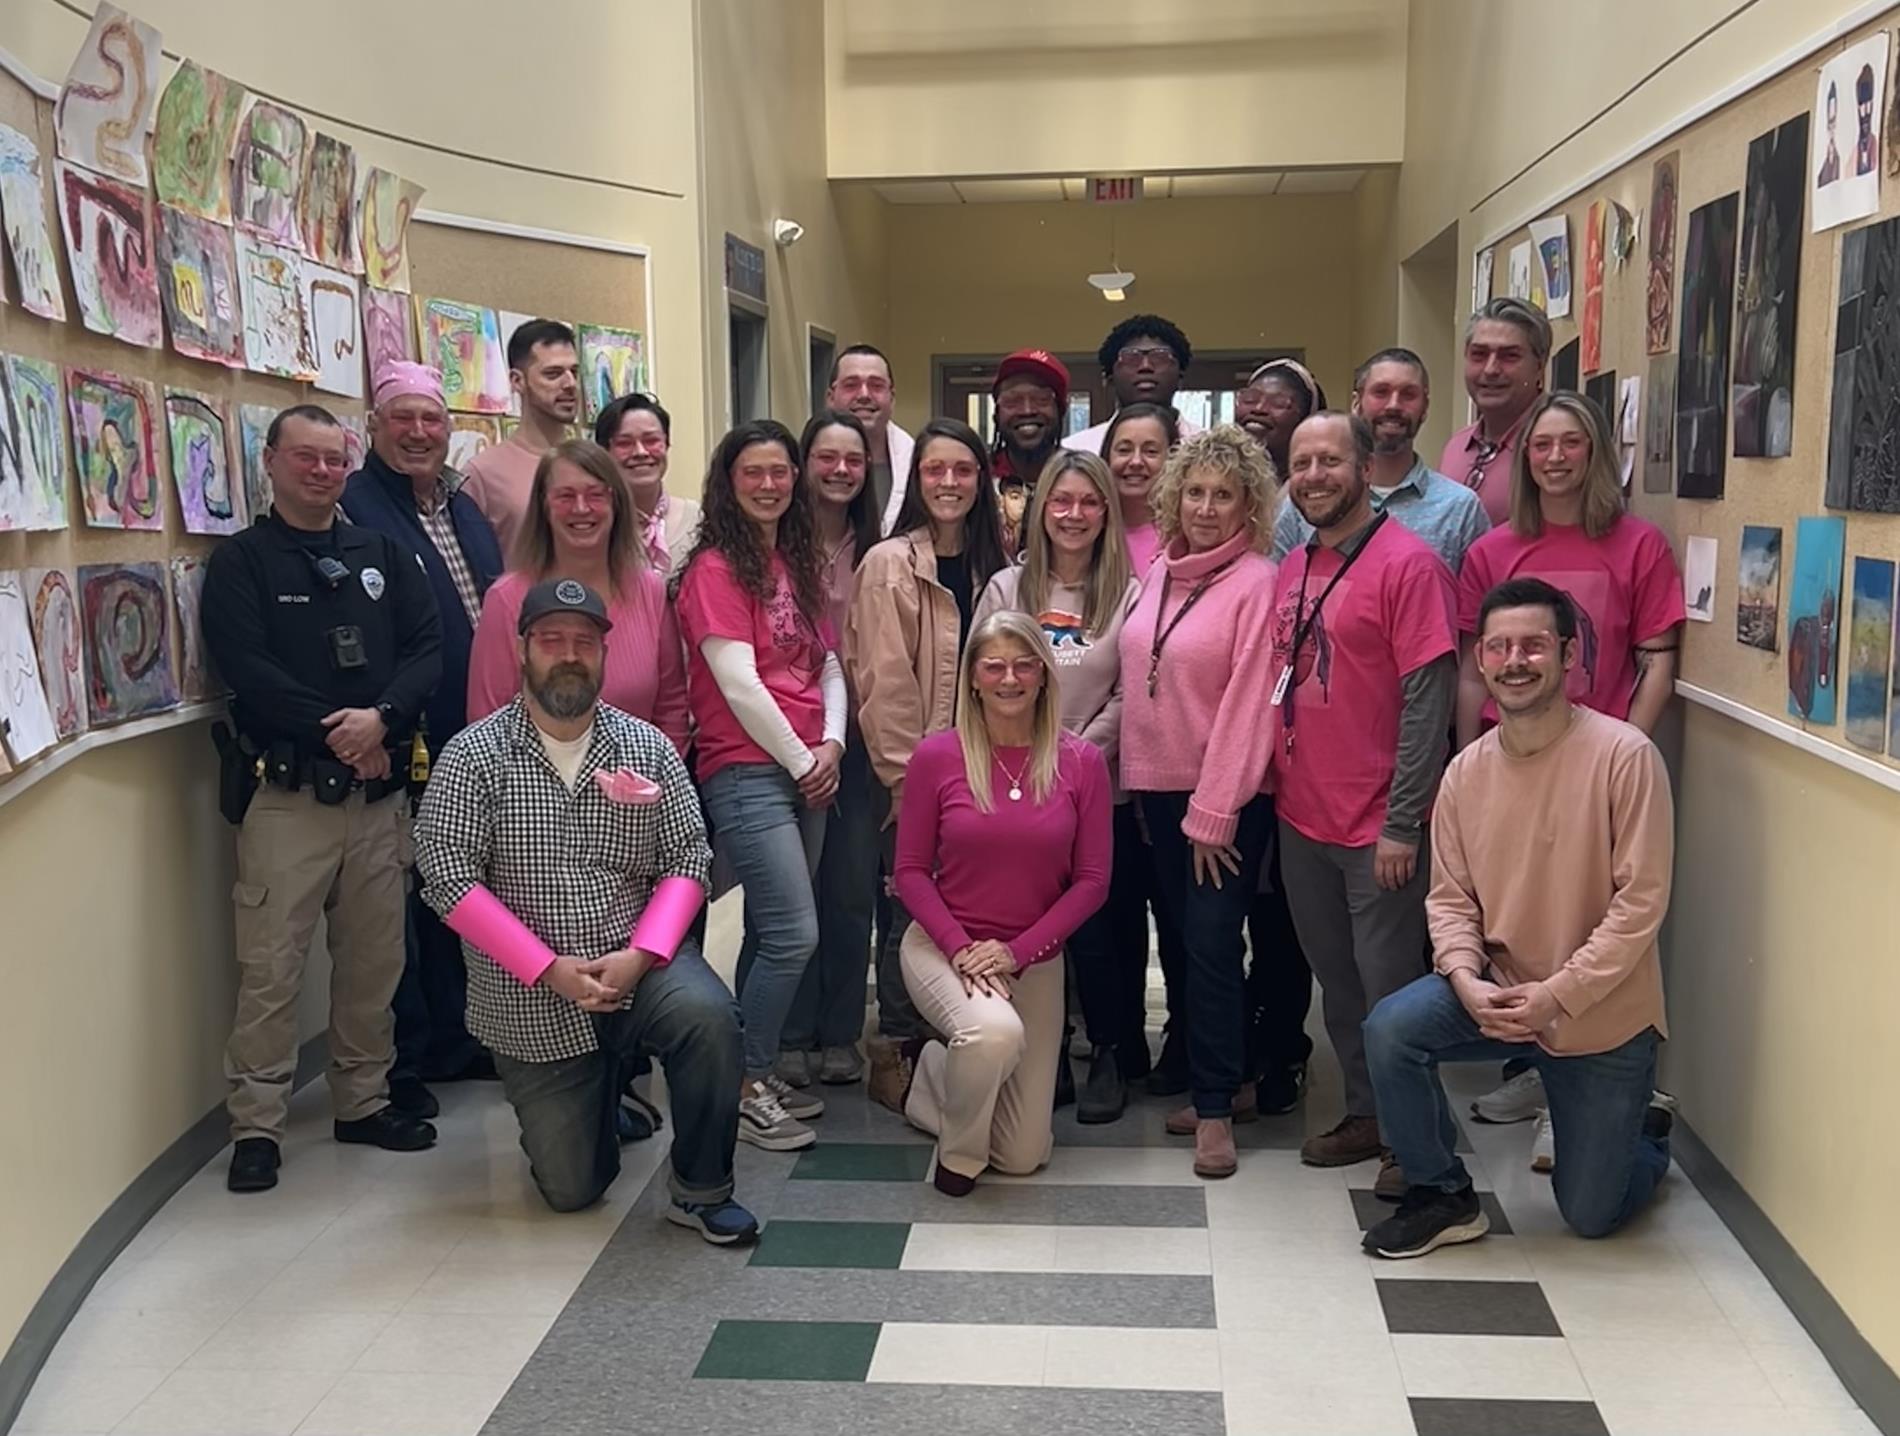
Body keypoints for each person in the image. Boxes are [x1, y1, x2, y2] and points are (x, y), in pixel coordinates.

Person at [413, 579, 758, 1243]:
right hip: (531, 999)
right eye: (551, 641)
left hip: (641, 969)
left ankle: (700, 1189)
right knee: (572, 1192)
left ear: (604, 653)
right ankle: (598, 1097)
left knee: (711, 1020)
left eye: (583, 642)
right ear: (523, 651)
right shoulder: (471, 757)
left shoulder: (648, 747)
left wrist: (641, 955)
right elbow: (449, 880)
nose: (567, 655)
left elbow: (688, 858)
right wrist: (547, 969)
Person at [1361, 578, 1674, 1258]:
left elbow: (1640, 905)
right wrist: (1464, 978)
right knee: (1391, 1029)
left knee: (1592, 1214)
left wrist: (1557, 994)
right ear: (1481, 662)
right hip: (1498, 992)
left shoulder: (1625, 757)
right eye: (1498, 647)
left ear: (1568, 655)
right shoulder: (1465, 773)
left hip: (1599, 1014)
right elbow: (1449, 901)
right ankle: (1441, 1194)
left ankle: (1641, 1138)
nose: (1514, 661)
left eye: (1533, 645)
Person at [202, 404, 444, 1193]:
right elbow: (246, 668)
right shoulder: (244, 562)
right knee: (271, 970)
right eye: (303, 458)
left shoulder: (380, 551)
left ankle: (363, 1101)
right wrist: (340, 730)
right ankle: (257, 1127)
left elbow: (426, 647)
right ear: (269, 462)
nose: (321, 472)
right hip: (289, 798)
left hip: (377, 802)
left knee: (375, 964)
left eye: (334, 460)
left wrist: (384, 720)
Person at [1455, 391, 1684, 1151]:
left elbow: (1658, 658)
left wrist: (1622, 749)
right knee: (1515, 918)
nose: (1555, 458)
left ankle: (1587, 1084)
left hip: (1596, 761)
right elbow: (1468, 667)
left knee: (1595, 914)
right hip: (1507, 760)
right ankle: (1535, 1068)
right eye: (1541, 446)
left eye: (1571, 444)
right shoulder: (1494, 549)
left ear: (1597, 454)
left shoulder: (1637, 544)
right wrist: (1465, 756)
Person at [1268, 412, 1458, 1197]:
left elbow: (1428, 701)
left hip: (1377, 824)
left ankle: (1419, 1146)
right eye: (1301, 463)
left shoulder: (1409, 566)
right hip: (1300, 816)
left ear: (1365, 465)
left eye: (1330, 461)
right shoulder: (1296, 564)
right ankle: (1367, 1115)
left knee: (1390, 997)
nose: (1314, 475)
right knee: (1337, 987)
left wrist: (1403, 822)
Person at [891, 611, 1111, 1195]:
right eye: (994, 666)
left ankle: (930, 1074)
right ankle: (958, 1158)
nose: (1009, 678)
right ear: (972, 678)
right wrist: (963, 949)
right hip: (944, 946)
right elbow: (909, 873)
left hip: (1032, 959)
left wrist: (1016, 952)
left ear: (1043, 675)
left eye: (1023, 665)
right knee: (992, 1035)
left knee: (1021, 1156)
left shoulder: (1082, 763)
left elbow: (1093, 881)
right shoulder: (937, 757)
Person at [676, 420, 848, 1152]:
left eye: (781, 472)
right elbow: (738, 683)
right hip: (748, 771)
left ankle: (758, 1065)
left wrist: (834, 741)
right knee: (794, 933)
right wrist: (804, 758)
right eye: (755, 472)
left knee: (769, 929)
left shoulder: (793, 564)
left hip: (809, 765)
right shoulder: (715, 569)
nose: (771, 484)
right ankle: (742, 1083)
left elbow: (828, 665)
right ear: (728, 481)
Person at [1118, 425, 1280, 1179]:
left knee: (1213, 947)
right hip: (1154, 793)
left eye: (1223, 494)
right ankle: (1236, 1077)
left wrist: (1213, 812)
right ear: (1173, 498)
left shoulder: (1256, 582)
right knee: (1183, 946)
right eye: (1195, 492)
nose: (1207, 508)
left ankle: (1214, 1112)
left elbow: (1253, 706)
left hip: (1223, 800)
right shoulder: (1157, 571)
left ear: (1249, 503)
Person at [341, 362, 504, 1107]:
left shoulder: (463, 507)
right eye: (400, 419)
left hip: (477, 733)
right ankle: (403, 1061)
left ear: (448, 429)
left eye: (430, 420)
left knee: (459, 889)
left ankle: (457, 1036)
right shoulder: (357, 509)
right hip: (404, 734)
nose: (417, 433)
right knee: (400, 907)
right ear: (373, 428)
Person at [974, 451, 1140, 1120]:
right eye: (1060, 502)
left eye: (1088, 503)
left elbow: (1133, 693)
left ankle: (1111, 1051)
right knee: (1030, 924)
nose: (1073, 515)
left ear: (1106, 513)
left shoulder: (1131, 591)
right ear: (1041, 510)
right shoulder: (1006, 589)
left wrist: (1071, 759)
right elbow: (983, 676)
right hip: (1015, 790)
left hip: (1099, 785)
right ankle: (1049, 1049)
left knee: (1101, 929)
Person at [851, 418, 1009, 1100]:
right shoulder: (891, 564)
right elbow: (884, 683)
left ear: (981, 480)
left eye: (963, 470)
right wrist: (902, 781)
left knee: (967, 902)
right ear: (916, 482)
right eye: (934, 470)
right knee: (908, 907)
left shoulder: (995, 566)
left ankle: (963, 1035)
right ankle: (899, 1047)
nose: (949, 483)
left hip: (986, 769)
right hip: (914, 774)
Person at [465, 438, 688, 750]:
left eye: (596, 495)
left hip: (638, 788)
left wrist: (655, 782)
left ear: (617, 504)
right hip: (530, 792)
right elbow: (484, 719)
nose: (581, 508)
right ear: (543, 505)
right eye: (565, 496)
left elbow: (672, 708)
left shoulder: (650, 591)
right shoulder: (506, 599)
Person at [781, 410, 883, 1087]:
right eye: (827, 457)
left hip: (865, 741)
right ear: (803, 465)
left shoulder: (880, 547)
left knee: (849, 889)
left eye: (854, 459)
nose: (841, 470)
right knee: (791, 894)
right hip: (783, 740)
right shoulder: (769, 546)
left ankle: (842, 1029)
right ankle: (789, 1029)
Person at [1273, 349, 1489, 574]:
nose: (1394, 405)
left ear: (1425, 408)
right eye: (1381, 392)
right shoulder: (1306, 500)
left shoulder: (1459, 508)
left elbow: (1476, 604)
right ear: (1356, 403)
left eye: (1408, 394)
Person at [459, 320, 583, 561]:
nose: (569, 384)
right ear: (517, 381)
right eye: (553, 374)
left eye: (574, 372)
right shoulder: (482, 474)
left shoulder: (593, 465)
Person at [1440, 298, 1552, 527]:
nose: (1491, 369)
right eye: (1479, 355)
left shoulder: (1559, 450)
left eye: (1509, 356)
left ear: (1539, 366)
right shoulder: (1455, 448)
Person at [596, 392, 701, 574]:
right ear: (604, 452)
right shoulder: (594, 524)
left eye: (651, 440)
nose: (640, 452)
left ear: (667, 445)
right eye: (624, 443)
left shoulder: (698, 520)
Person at [1065, 314, 1199, 454]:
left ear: (1180, 377)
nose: (1145, 366)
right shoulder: (1077, 450)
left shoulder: (1211, 449)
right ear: (1109, 378)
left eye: (1159, 357)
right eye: (1131, 358)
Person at [825, 344, 915, 534]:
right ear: (830, 398)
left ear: (892, 398)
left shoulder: (916, 462)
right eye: (851, 385)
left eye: (876, 386)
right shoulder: (806, 461)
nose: (864, 395)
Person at [989, 349, 1070, 553]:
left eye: (1041, 399)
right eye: (1012, 401)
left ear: (1061, 411)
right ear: (996, 415)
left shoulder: (1081, 479)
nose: (1026, 410)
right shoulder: (978, 481)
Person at [1103, 401, 1178, 577]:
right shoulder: (1088, 529)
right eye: (1124, 450)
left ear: (1173, 459)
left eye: (1150, 451)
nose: (1136, 461)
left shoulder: (1186, 536)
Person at [1234, 357, 1326, 483]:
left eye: (1278, 403)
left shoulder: (1312, 485)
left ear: (1304, 421)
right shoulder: (1216, 477)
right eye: (1250, 399)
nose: (1259, 409)